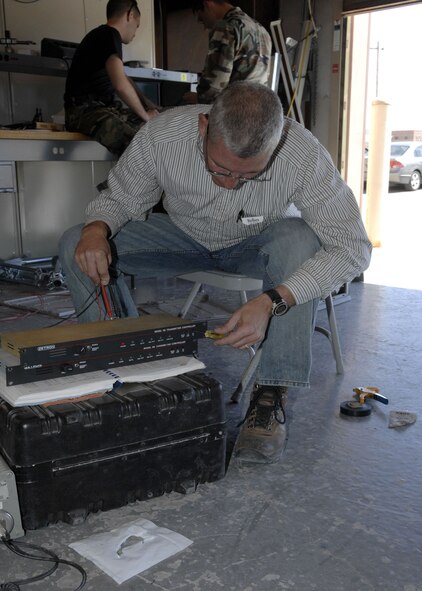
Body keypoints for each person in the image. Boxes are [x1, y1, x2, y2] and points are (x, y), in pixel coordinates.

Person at [59, 81, 371, 465]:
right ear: (204, 127)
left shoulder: (303, 154)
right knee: (76, 239)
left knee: (300, 240)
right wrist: (96, 229)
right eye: (219, 168)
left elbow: (353, 247)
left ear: (276, 147)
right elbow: (122, 197)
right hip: (180, 237)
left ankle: (270, 395)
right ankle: (119, 371)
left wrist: (274, 300)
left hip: (255, 245)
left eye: (248, 176)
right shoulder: (162, 136)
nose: (229, 184)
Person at [64, 0, 160, 156]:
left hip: (99, 108)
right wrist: (146, 116)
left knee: (155, 130)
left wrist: (150, 106)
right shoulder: (108, 34)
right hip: (84, 112)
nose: (135, 32)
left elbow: (124, 79)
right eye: (137, 25)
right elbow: (120, 85)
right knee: (139, 146)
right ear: (130, 15)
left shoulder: (102, 36)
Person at [182, 0, 272, 104]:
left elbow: (215, 83)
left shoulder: (225, 26)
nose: (205, 27)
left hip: (233, 110)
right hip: (259, 109)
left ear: (207, 4)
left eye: (202, 19)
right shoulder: (261, 29)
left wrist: (199, 98)